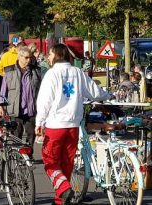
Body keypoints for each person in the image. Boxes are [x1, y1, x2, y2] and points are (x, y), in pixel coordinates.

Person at [35, 44, 111, 205]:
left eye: (49, 54)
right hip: (73, 127)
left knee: (50, 161)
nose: (47, 57)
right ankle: (60, 200)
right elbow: (94, 91)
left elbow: (44, 101)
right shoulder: (77, 73)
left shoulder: (52, 74)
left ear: (56, 55)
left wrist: (39, 122)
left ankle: (63, 188)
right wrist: (108, 94)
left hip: (55, 126)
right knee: (66, 163)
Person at [0, 46, 41, 156]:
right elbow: (3, 90)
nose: (29, 60)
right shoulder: (9, 70)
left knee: (31, 135)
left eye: (30, 58)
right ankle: (18, 157)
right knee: (16, 136)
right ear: (19, 57)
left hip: (31, 110)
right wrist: (1, 107)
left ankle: (29, 157)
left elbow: (41, 89)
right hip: (15, 110)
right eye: (26, 58)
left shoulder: (36, 71)